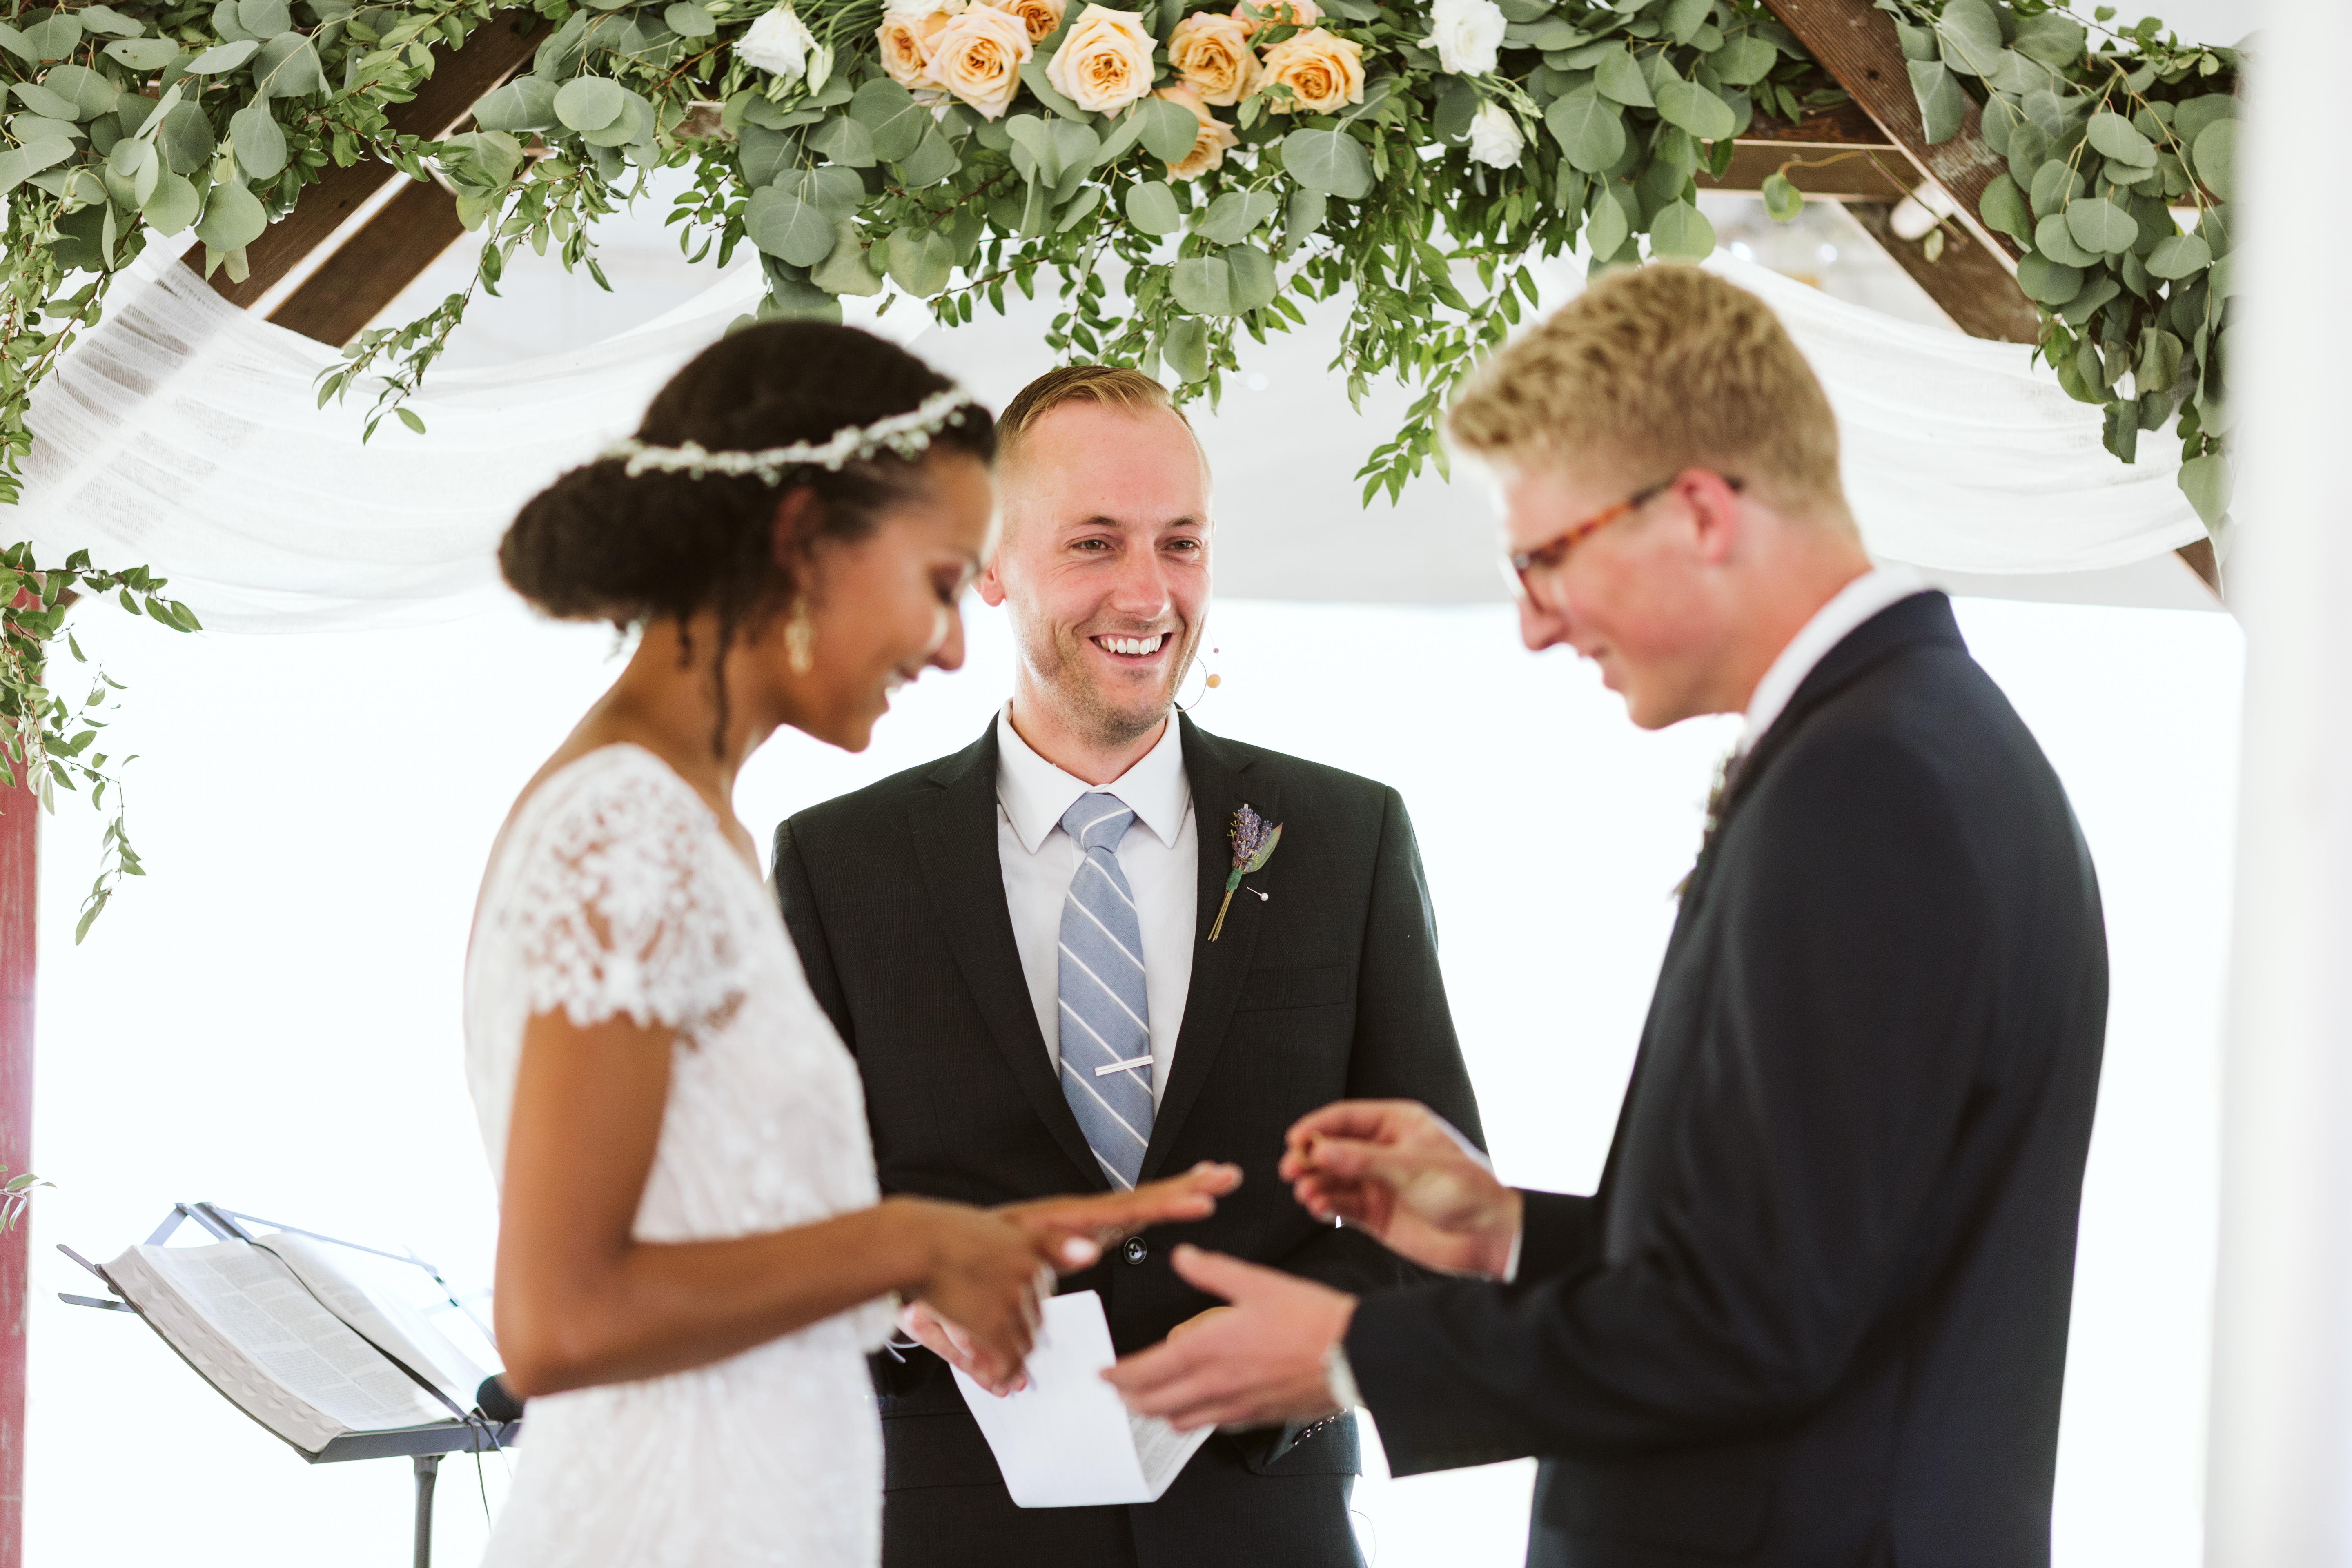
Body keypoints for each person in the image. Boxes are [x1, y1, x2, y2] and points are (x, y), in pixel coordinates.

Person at [1106, 265, 2111, 1568]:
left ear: (1695, 511)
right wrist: (1505, 1233)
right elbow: (1821, 1259)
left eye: (1544, 559)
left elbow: (1753, 1331)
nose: (1532, 627)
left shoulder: (1875, 786)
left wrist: (1356, 1351)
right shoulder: (1916, 738)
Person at [463, 324, 1238, 1568]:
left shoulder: (687, 816)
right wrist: (910, 1241)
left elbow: (708, 1241)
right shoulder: (625, 827)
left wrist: (953, 1262)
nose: (946, 646)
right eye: (940, 580)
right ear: (803, 541)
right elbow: (555, 1322)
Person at [772, 365, 1486, 1567]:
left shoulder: (1347, 838)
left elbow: (1435, 1206)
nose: (1147, 592)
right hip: (947, 1524)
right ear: (987, 565)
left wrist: (1300, 1350)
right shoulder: (840, 865)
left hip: (1267, 1517)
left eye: (1181, 542)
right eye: (1095, 543)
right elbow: (770, 1215)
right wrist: (902, 1291)